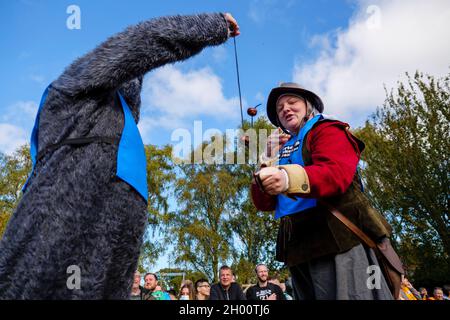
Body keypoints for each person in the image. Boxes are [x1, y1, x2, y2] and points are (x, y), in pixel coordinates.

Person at [0, 12, 239, 299]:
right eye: (130, 79)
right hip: (65, 218)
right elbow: (142, 42)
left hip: (115, 236)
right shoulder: (76, 85)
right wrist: (212, 27)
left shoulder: (118, 123)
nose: (135, 88)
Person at [251, 82, 397, 300]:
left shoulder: (327, 129)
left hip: (339, 239)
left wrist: (287, 178)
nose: (285, 109)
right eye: (280, 109)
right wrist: (266, 159)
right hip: (299, 248)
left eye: (292, 102)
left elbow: (335, 174)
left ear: (309, 106)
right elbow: (264, 203)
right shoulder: (279, 150)